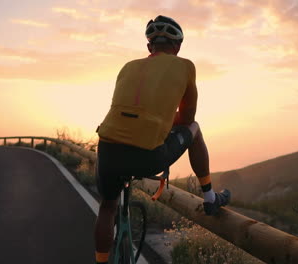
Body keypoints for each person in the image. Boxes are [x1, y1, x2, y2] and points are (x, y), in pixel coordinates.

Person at [93, 15, 231, 264]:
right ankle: (210, 198)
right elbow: (188, 117)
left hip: (108, 147)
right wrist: (162, 120)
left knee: (107, 207)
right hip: (146, 155)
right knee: (195, 128)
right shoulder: (185, 66)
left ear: (149, 47)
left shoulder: (128, 66)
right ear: (177, 47)